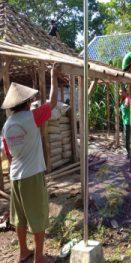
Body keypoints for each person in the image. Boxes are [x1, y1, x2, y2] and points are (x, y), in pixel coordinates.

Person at [1, 65, 59, 263]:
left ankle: (23, 251)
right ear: (26, 103)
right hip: (32, 175)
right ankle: (39, 257)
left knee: (19, 218)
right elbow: (52, 102)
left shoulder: (6, 126)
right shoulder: (31, 117)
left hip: (15, 177)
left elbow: (8, 156)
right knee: (38, 215)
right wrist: (52, 75)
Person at [119, 86, 131, 158]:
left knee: (126, 139)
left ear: (125, 92)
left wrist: (126, 105)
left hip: (128, 122)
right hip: (125, 122)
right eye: (119, 92)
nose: (120, 93)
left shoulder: (127, 98)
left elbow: (127, 104)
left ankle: (129, 154)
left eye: (121, 92)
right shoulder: (123, 99)